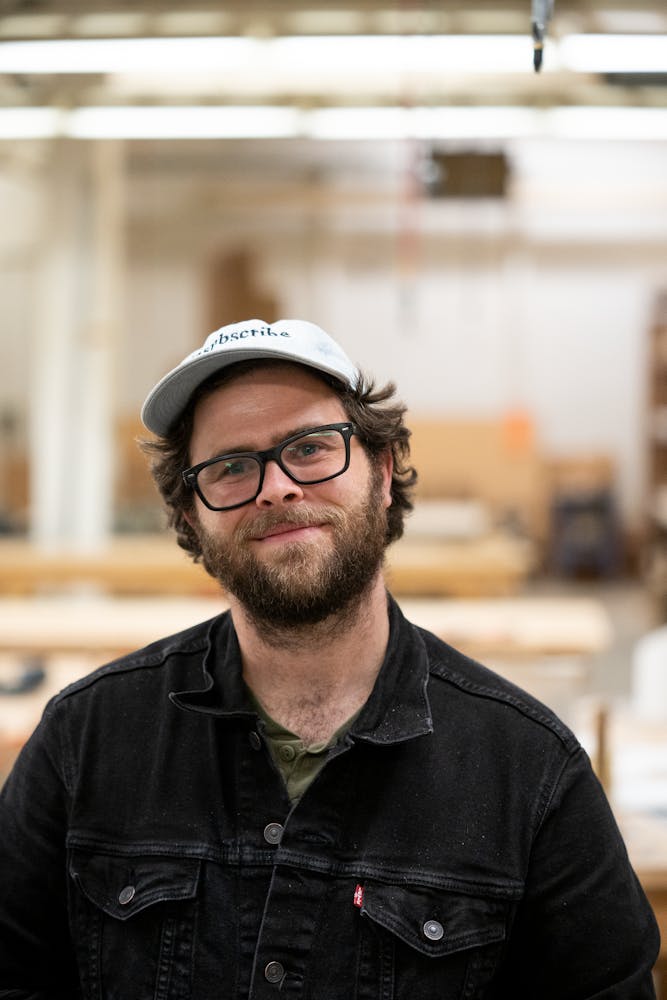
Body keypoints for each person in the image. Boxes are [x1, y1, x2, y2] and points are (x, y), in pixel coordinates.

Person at [0, 317, 659, 999]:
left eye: (310, 448)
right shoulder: (86, 742)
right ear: (193, 517)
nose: (277, 487)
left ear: (379, 472)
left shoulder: (529, 772)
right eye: (230, 467)